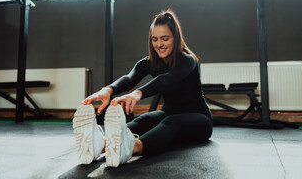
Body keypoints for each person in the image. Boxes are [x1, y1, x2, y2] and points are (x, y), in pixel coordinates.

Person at [73, 9, 213, 167]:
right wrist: (108, 90)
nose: (159, 44)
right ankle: (102, 144)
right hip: (168, 111)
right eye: (155, 39)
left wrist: (137, 94)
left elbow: (167, 80)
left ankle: (131, 148)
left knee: (171, 122)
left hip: (200, 120)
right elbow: (129, 78)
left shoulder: (188, 60)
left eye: (165, 38)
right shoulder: (149, 62)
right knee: (143, 119)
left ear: (175, 38)